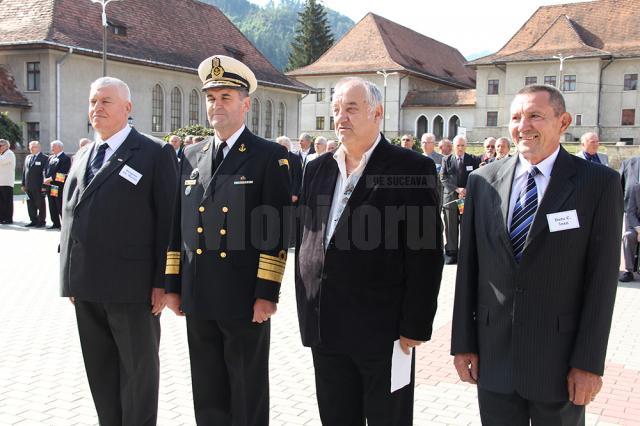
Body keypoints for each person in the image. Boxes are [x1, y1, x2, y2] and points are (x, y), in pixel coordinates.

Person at [451, 85, 623, 426]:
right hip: (494, 357)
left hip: (559, 364)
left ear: (563, 122)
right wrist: (463, 344)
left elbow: (602, 281)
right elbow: (468, 269)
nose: (523, 125)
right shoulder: (483, 181)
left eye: (535, 116)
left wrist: (588, 363)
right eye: (516, 117)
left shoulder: (598, 184)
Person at [295, 77, 443, 426]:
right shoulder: (317, 168)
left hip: (385, 332)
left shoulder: (411, 169)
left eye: (351, 108)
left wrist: (415, 325)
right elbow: (310, 239)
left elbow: (426, 257)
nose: (340, 118)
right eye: (336, 110)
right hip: (326, 327)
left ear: (377, 113)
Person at [164, 55, 291, 426]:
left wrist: (266, 293)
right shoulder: (190, 155)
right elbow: (177, 225)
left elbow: (277, 229)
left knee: (246, 390)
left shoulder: (268, 156)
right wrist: (173, 285)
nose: (216, 105)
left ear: (245, 103)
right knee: (207, 391)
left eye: (226, 97)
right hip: (199, 294)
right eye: (211, 97)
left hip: (242, 296)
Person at [59, 76, 178, 425]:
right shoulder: (82, 154)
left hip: (133, 288)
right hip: (87, 286)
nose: (97, 108)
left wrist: (163, 280)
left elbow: (168, 220)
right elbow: (71, 215)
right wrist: (69, 275)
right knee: (101, 373)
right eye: (93, 101)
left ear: (128, 108)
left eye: (106, 101)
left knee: (138, 376)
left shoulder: (154, 153)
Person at [440, 135, 479, 264]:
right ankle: (451, 253)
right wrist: (457, 189)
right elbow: (443, 178)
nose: (460, 148)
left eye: (463, 145)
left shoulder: (473, 160)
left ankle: (465, 254)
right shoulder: (446, 160)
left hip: (466, 199)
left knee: (466, 226)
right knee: (450, 227)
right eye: (458, 145)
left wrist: (467, 189)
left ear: (466, 146)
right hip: (451, 198)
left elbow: (477, 176)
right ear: (453, 146)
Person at [43, 140, 71, 229]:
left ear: (60, 147)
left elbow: (63, 174)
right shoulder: (50, 158)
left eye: (53, 146)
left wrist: (51, 179)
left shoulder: (65, 158)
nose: (52, 148)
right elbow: (45, 170)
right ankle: (55, 223)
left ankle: (64, 225)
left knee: (59, 205)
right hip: (50, 185)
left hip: (57, 186)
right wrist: (45, 179)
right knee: (52, 205)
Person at [21, 140, 47, 227]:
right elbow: (24, 171)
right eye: (30, 147)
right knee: (30, 205)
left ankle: (41, 221)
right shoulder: (28, 157)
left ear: (39, 147)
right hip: (28, 186)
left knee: (40, 204)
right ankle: (33, 220)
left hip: (38, 186)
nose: (31, 149)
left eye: (33, 147)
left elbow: (45, 173)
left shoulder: (44, 158)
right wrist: (23, 184)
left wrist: (44, 186)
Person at [620, 182, 640, 282]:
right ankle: (629, 271)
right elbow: (630, 212)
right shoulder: (636, 188)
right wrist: (639, 230)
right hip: (637, 227)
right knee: (627, 236)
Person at [276, 136, 303, 203]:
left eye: (278, 145)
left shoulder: (295, 158)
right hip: (278, 193)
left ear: (285, 146)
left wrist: (294, 194)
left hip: (291, 195)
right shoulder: (275, 157)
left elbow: (298, 177)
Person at [421, 132, 444, 209]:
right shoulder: (416, 158)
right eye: (423, 142)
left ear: (433, 144)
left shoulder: (442, 159)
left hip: (435, 194)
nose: (424, 144)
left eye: (427, 142)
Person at [0, 139, 15, 224]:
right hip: (1, 182)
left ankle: (8, 218)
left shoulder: (9, 153)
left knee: (7, 201)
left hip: (6, 182)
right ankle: (2, 217)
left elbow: (1, 161)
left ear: (6, 146)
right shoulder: (3, 154)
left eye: (0, 146)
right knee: (1, 202)